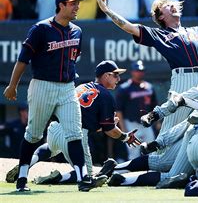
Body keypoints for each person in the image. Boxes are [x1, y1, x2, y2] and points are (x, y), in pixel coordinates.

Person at [96, 0, 198, 175]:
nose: (172, 6)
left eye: (172, 4)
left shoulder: (195, 31)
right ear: (161, 17)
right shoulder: (160, 34)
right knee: (166, 149)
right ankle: (116, 169)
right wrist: (107, 10)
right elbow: (128, 26)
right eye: (166, 6)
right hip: (183, 81)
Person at [2, 0, 95, 192]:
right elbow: (23, 59)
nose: (77, 6)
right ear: (61, 5)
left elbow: (73, 58)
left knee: (75, 133)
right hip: (42, 85)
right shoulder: (41, 29)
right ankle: (22, 177)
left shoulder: (77, 31)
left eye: (77, 3)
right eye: (73, 3)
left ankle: (83, 178)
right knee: (34, 134)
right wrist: (12, 85)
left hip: (67, 88)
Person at [6, 60, 141, 188]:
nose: (118, 79)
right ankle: (58, 178)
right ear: (106, 75)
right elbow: (110, 130)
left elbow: (91, 122)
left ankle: (28, 163)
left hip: (55, 127)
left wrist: (105, 126)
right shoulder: (105, 95)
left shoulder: (82, 87)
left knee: (50, 148)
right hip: (75, 135)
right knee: (87, 176)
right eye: (116, 75)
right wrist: (125, 137)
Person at [115, 60, 157, 160]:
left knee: (152, 150)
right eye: (137, 70)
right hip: (131, 124)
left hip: (147, 124)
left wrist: (157, 122)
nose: (140, 72)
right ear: (132, 72)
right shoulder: (124, 88)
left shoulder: (149, 87)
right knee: (133, 152)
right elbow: (119, 110)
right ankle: (133, 173)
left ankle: (151, 172)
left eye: (141, 70)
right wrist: (123, 128)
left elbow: (154, 106)